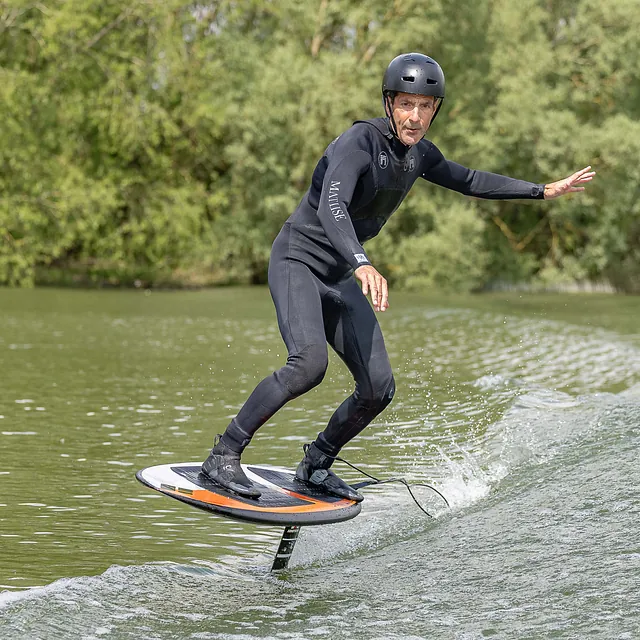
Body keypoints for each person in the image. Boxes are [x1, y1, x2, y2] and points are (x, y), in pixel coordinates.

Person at [201, 52, 595, 500]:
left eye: (426, 106)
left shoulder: (420, 155)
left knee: (378, 388)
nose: (415, 116)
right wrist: (362, 261)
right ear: (389, 103)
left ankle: (316, 463)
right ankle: (224, 454)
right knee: (309, 365)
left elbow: (469, 180)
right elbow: (334, 206)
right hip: (299, 260)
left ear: (435, 110)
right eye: (407, 104)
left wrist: (542, 190)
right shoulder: (358, 143)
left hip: (339, 275)